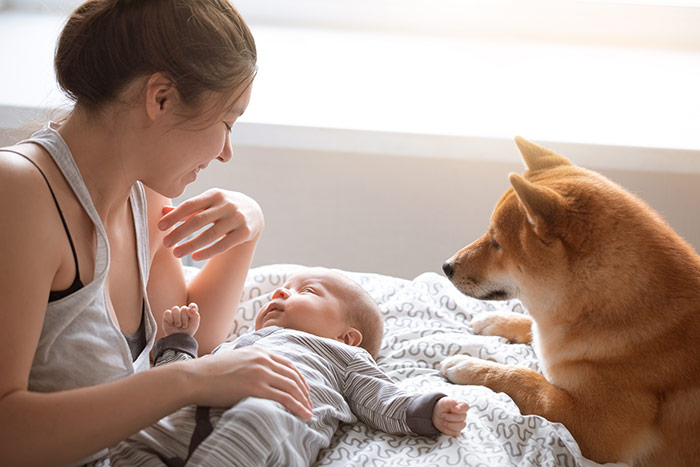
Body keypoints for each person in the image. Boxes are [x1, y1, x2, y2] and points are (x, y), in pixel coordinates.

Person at [0, 1, 314, 465]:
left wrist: (250, 226)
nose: (227, 152)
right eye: (227, 122)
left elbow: (193, 337)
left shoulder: (142, 199)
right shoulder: (19, 192)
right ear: (161, 97)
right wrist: (190, 382)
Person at [110, 267, 469, 466]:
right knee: (131, 433)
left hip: (271, 428)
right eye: (280, 289)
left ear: (347, 337)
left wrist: (429, 410)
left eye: (307, 292)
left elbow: (381, 399)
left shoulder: (341, 357)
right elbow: (175, 381)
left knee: (259, 416)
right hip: (188, 425)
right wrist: (179, 345)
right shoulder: (232, 346)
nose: (279, 293)